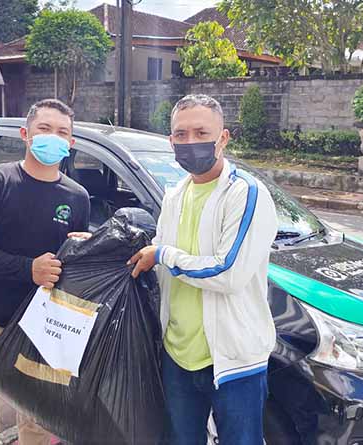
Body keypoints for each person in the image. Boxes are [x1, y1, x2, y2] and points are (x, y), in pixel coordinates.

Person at [128, 94, 278, 445]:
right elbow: (156, 259)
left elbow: (228, 272)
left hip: (233, 358)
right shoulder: (175, 195)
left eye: (201, 132)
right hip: (178, 354)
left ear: (223, 138)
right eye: (181, 135)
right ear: (171, 142)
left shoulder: (244, 193)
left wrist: (163, 254)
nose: (190, 142)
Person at [0, 99, 90, 445]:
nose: (53, 138)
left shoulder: (77, 197)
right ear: (25, 134)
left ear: (71, 144)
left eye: (63, 132)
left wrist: (84, 249)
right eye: (44, 129)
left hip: (41, 332)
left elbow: (70, 269)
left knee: (38, 421)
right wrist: (28, 269)